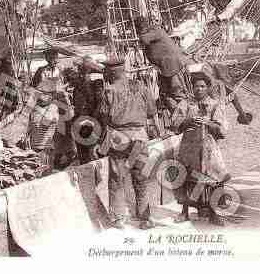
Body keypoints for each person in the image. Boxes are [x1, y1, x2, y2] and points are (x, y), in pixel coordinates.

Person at [97, 60, 160, 230]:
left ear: (111, 73)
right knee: (141, 177)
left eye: (107, 72)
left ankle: (118, 218)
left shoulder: (109, 91)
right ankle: (145, 217)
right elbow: (152, 112)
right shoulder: (141, 87)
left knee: (117, 178)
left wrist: (102, 141)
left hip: (119, 138)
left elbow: (104, 117)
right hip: (140, 136)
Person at [170, 73, 230, 226]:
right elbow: (174, 125)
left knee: (212, 178)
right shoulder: (185, 103)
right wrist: (189, 120)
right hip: (188, 147)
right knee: (186, 178)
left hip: (208, 147)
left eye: (202, 86)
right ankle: (184, 212)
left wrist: (208, 123)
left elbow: (222, 129)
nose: (199, 89)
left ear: (208, 88)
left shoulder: (214, 104)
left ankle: (213, 213)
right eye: (196, 86)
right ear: (193, 88)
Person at [135, 16, 189, 112]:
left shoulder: (156, 30)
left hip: (172, 65)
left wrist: (140, 34)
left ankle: (183, 113)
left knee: (177, 91)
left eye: (139, 27)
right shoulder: (152, 31)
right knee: (166, 93)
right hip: (165, 67)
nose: (139, 29)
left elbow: (144, 39)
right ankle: (175, 113)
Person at [72, 56, 105, 163]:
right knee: (84, 154)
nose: (82, 73)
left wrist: (94, 120)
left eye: (85, 70)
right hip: (81, 122)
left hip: (92, 122)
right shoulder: (77, 86)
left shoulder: (96, 84)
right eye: (81, 70)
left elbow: (99, 105)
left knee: (93, 154)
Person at [28, 82, 60, 173]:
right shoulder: (35, 108)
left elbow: (46, 122)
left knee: (44, 175)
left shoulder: (53, 107)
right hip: (34, 147)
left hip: (45, 149)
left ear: (50, 96)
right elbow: (30, 124)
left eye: (43, 94)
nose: (40, 96)